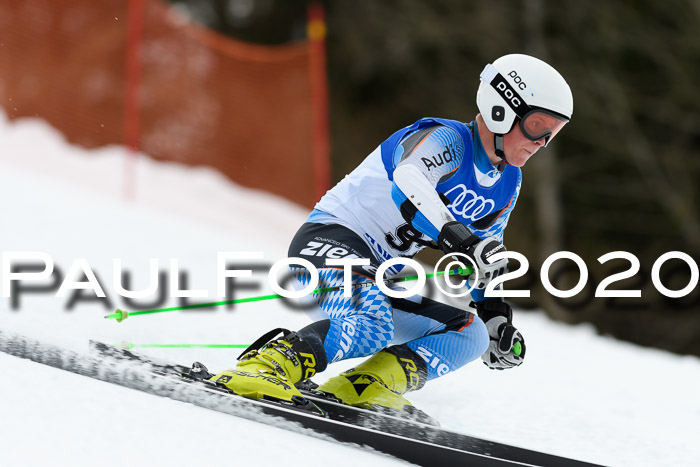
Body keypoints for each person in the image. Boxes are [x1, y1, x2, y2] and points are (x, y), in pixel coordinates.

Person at [213, 54, 573, 411]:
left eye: (552, 133)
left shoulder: (509, 181)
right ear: (501, 110)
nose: (541, 142)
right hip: (327, 245)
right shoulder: (445, 139)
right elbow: (409, 183)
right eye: (537, 126)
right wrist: (460, 239)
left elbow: (485, 255)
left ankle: (361, 387)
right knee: (373, 322)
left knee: (470, 335)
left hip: (379, 276)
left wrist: (494, 314)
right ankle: (263, 366)